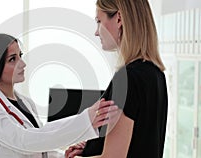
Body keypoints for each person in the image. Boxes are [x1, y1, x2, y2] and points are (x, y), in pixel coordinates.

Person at [0, 33, 119, 158]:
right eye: (12, 59)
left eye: (20, 55)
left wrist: (63, 155)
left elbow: (40, 144)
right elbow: (25, 141)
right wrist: (85, 120)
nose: (23, 64)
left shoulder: (25, 103)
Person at [65, 0, 168, 158]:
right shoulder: (156, 74)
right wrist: (92, 146)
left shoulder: (128, 79)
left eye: (99, 21)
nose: (96, 32)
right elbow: (140, 140)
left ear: (119, 19)